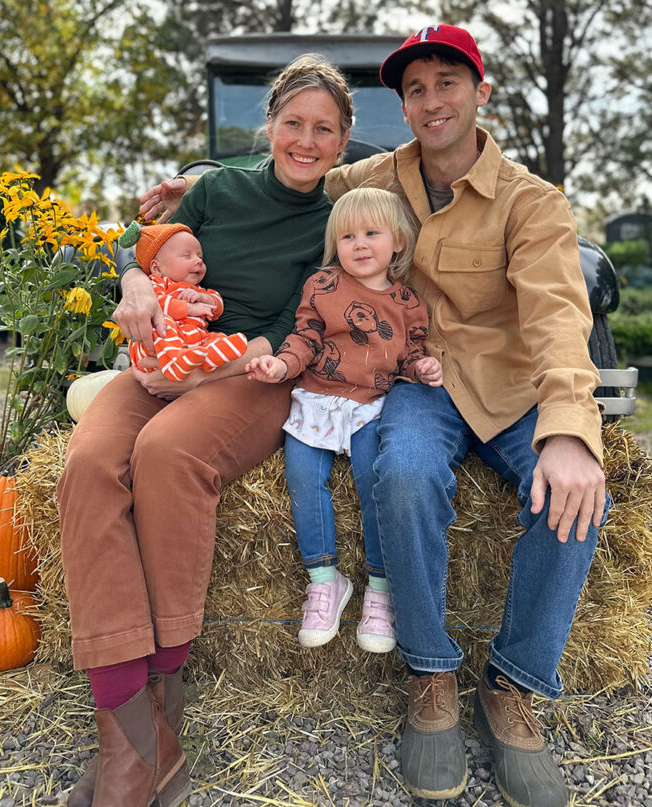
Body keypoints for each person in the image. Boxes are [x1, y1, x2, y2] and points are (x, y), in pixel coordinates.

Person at [141, 22, 610, 807]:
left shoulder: (532, 201)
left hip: (508, 389)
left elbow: (561, 317)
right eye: (415, 89)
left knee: (575, 495)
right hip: (417, 383)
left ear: (480, 92)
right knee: (403, 473)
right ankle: (430, 671)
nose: (431, 101)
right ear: (403, 105)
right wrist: (194, 186)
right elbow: (293, 167)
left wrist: (569, 429)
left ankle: (512, 682)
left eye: (447, 83)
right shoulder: (383, 175)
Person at [55, 53, 353, 807]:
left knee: (166, 452)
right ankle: (131, 729)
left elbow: (295, 329)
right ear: (271, 126)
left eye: (323, 129)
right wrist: (133, 285)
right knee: (88, 463)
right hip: (168, 353)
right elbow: (139, 244)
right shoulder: (218, 187)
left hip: (254, 373)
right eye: (293, 123)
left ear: (344, 141)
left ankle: (161, 707)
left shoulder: (334, 223)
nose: (306, 141)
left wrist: (200, 380)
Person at [245, 188, 442, 654]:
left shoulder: (409, 303)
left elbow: (408, 356)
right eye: (347, 236)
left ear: (397, 241)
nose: (359, 244)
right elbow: (304, 338)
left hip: (371, 407)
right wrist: (280, 365)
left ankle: (380, 587)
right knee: (302, 478)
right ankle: (324, 579)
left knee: (375, 483)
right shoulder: (322, 287)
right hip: (317, 398)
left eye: (371, 233)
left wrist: (422, 368)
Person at [117, 220, 248, 381]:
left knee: (214, 337)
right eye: (187, 256)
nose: (198, 261)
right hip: (157, 349)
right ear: (157, 268)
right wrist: (189, 309)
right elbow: (157, 304)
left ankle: (211, 357)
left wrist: (204, 298)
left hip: (192, 344)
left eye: (200, 256)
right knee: (162, 324)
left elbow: (217, 307)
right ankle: (175, 362)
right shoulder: (157, 283)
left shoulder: (196, 289)